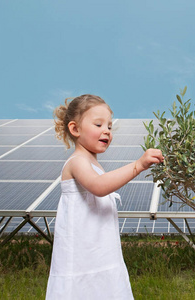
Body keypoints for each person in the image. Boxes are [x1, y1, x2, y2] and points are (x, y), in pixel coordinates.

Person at [46, 94, 163, 299]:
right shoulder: (77, 162)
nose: (106, 131)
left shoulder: (94, 165)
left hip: (101, 255)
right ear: (75, 129)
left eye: (109, 126)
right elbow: (99, 187)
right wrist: (138, 165)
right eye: (98, 124)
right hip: (81, 258)